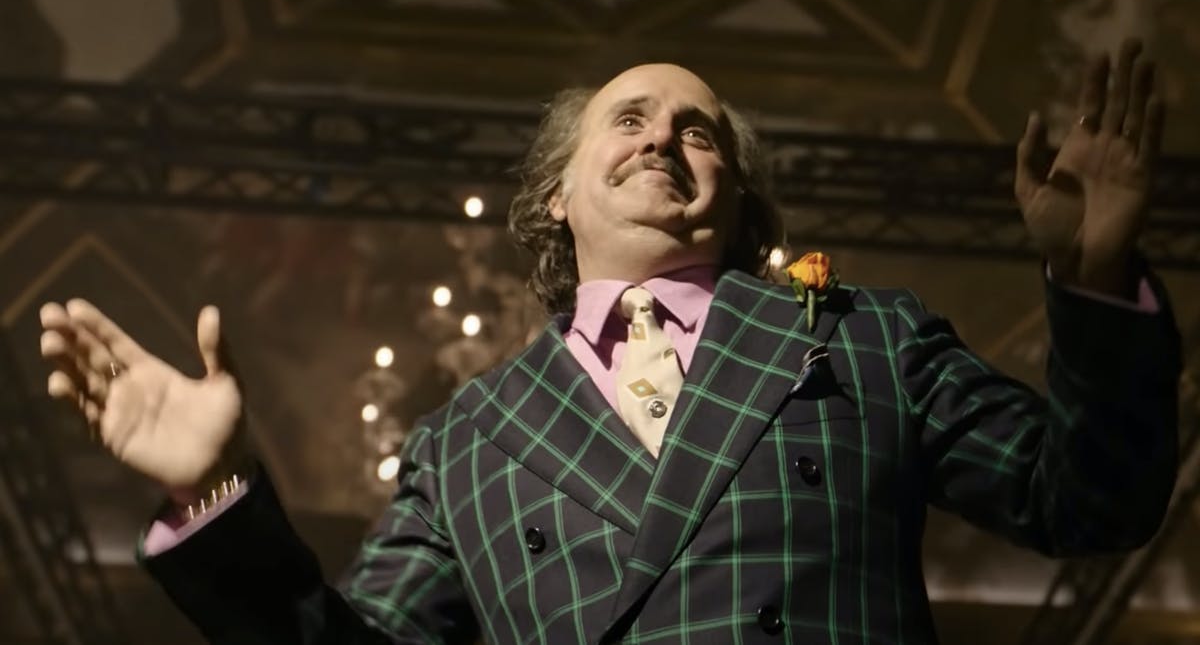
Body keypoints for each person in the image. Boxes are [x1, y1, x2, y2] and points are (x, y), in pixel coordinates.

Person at [39, 39, 1180, 644]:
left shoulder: (867, 336)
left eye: (699, 131)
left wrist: (1094, 274)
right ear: (557, 194)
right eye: (628, 119)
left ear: (741, 202)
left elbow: (1090, 500)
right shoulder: (465, 441)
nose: (662, 139)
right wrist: (217, 489)